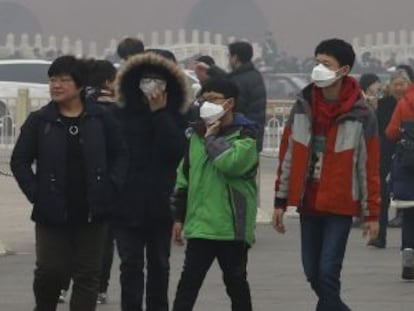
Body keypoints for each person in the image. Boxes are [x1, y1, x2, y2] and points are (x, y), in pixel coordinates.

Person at [10, 55, 128, 311]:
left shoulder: (101, 118)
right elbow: (19, 161)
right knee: (49, 271)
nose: (56, 85)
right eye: (53, 80)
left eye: (64, 80)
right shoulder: (40, 120)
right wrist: (36, 193)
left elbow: (120, 154)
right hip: (51, 209)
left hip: (93, 209)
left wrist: (111, 187)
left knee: (87, 275)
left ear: (80, 85)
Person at [273, 38, 380, 311]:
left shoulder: (362, 113)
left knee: (327, 274)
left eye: (326, 64)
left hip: (340, 204)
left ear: (343, 70)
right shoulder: (302, 106)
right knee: (312, 272)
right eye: (317, 62)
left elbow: (369, 168)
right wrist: (280, 200)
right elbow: (287, 156)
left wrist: (372, 214)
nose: (318, 68)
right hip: (308, 201)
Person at [171, 77, 258, 311]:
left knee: (236, 284)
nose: (206, 104)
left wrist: (211, 138)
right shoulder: (195, 137)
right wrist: (178, 216)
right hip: (200, 225)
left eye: (212, 99)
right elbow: (184, 176)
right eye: (203, 99)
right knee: (188, 284)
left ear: (229, 104)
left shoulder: (245, 137)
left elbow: (232, 163)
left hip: (231, 228)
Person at [113, 51, 189, 311]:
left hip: (162, 203)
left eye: (158, 80)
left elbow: (178, 150)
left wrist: (160, 114)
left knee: (160, 264)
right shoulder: (120, 114)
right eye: (147, 79)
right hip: (126, 203)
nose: (152, 85)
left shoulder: (179, 114)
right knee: (130, 264)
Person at [368, 69, 411, 248]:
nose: (399, 88)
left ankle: (408, 241)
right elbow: (379, 130)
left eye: (402, 84)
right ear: (390, 86)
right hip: (386, 153)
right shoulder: (383, 104)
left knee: (409, 198)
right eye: (396, 84)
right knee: (383, 195)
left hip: (408, 155)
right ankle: (379, 235)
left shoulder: (409, 103)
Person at [385, 77, 414, 280]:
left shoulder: (404, 102)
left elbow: (391, 133)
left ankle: (408, 259)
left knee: (409, 216)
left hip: (408, 165)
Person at [228, 41, 266, 152]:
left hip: (240, 140)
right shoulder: (255, 75)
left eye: (230, 56)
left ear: (235, 57)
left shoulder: (238, 80)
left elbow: (236, 110)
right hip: (253, 137)